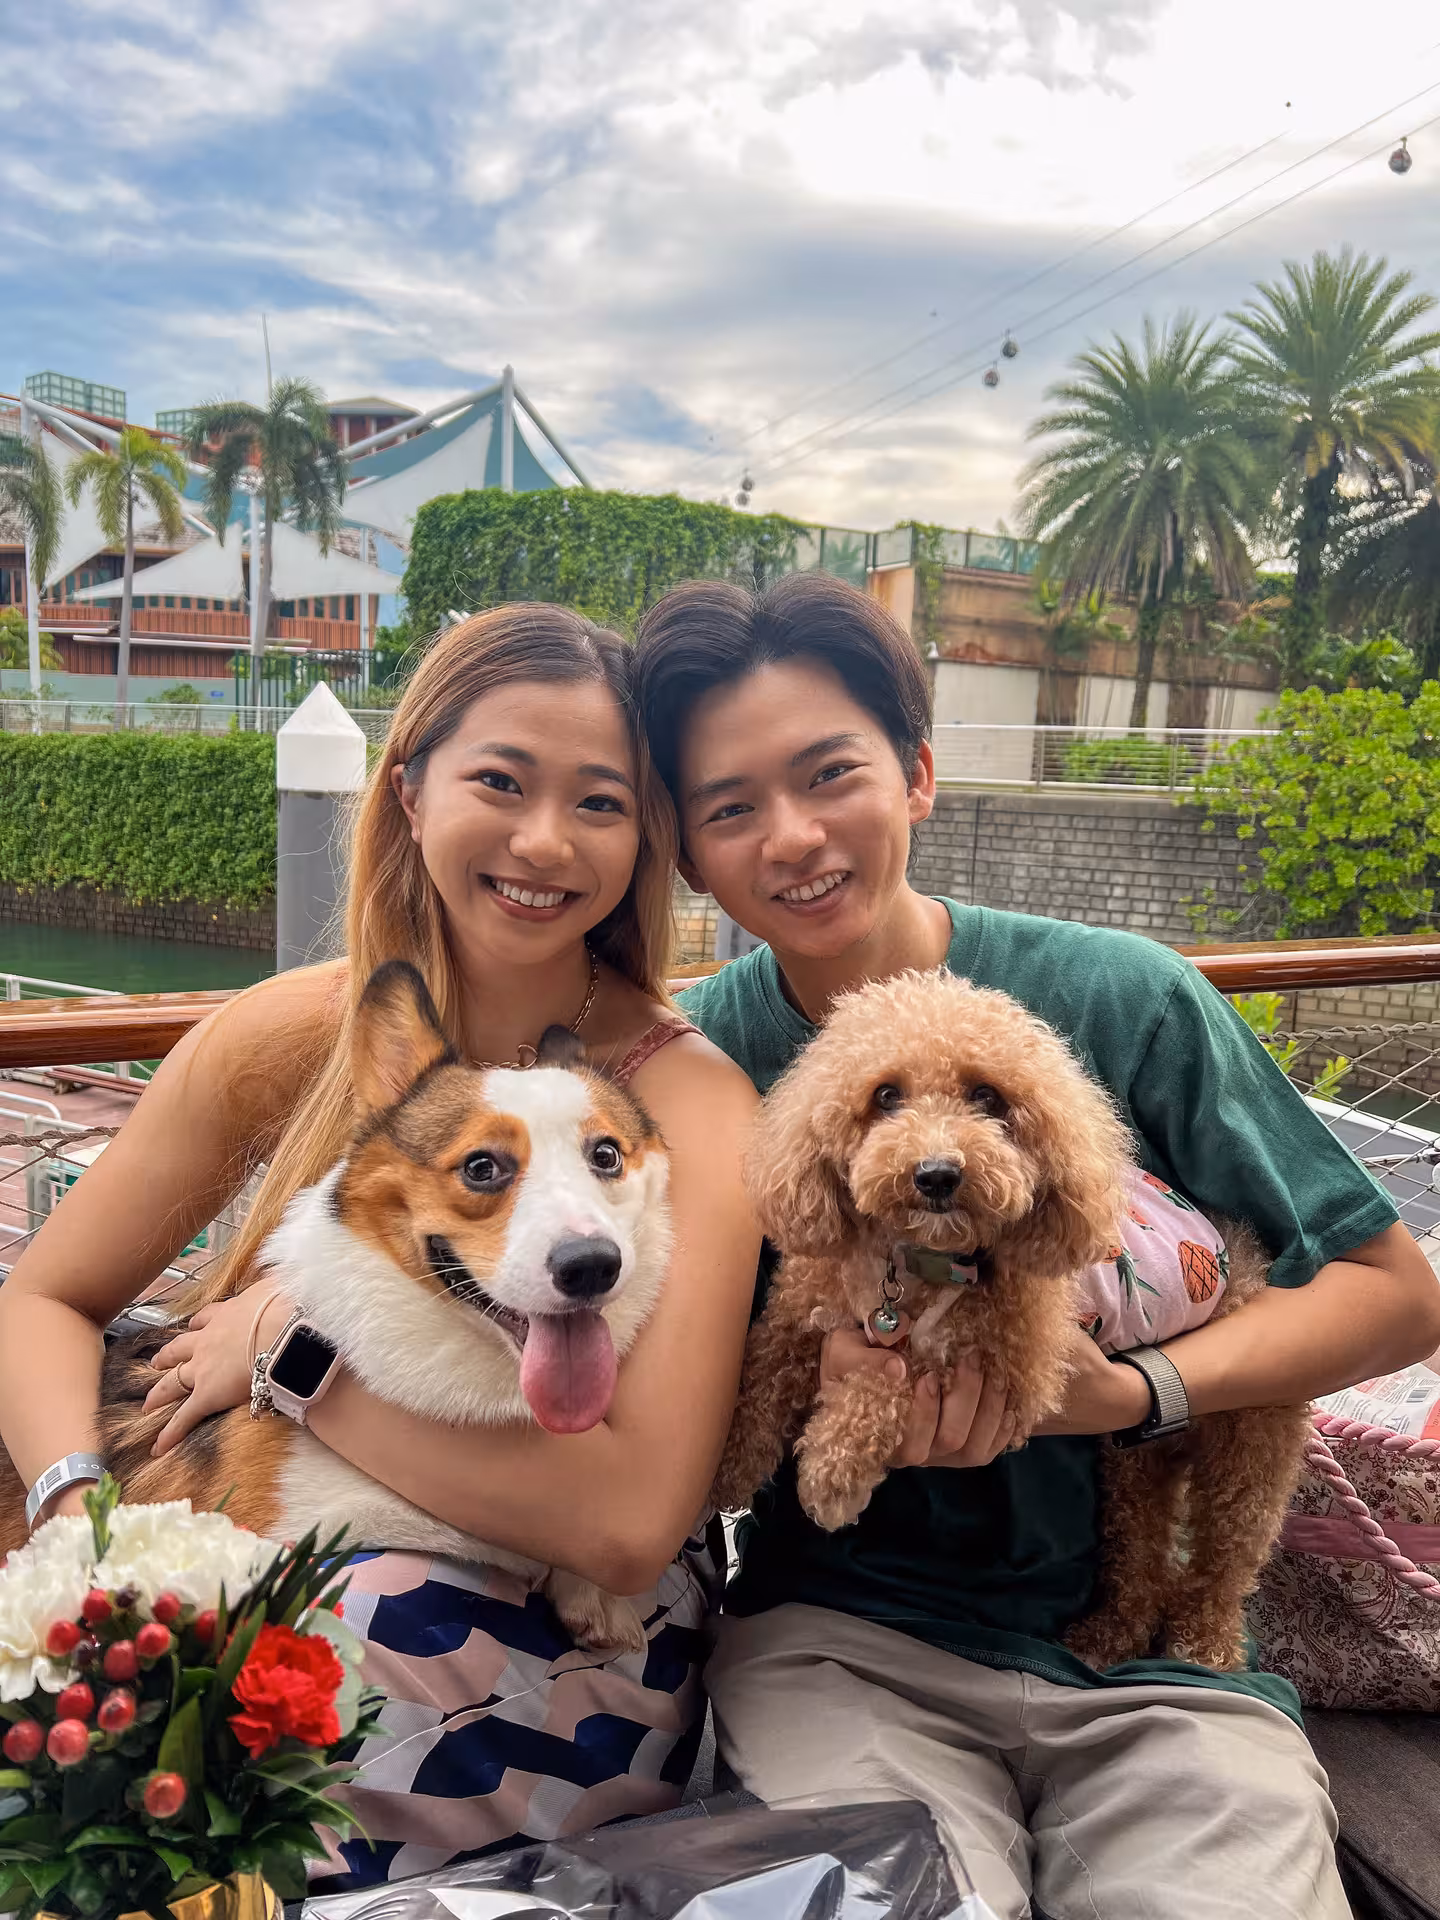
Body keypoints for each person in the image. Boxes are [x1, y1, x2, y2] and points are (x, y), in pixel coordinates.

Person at [631, 571, 1440, 1920]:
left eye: (832, 773)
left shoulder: (1122, 999)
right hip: (842, 1643)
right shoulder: (689, 1058)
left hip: (1160, 1677)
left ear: (919, 774)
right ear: (688, 852)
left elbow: (1392, 1295)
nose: (793, 838)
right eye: (731, 808)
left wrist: (1131, 1394)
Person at [0, 606, 759, 1883]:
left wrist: (293, 1354)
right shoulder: (291, 1032)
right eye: (501, 782)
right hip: (268, 1536)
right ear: (410, 792)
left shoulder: (686, 1102)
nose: (542, 841)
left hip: (567, 1622)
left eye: (601, 803)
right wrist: (81, 1521)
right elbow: (47, 1297)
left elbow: (629, 1528)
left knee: (290, 1684)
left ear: (647, 841)